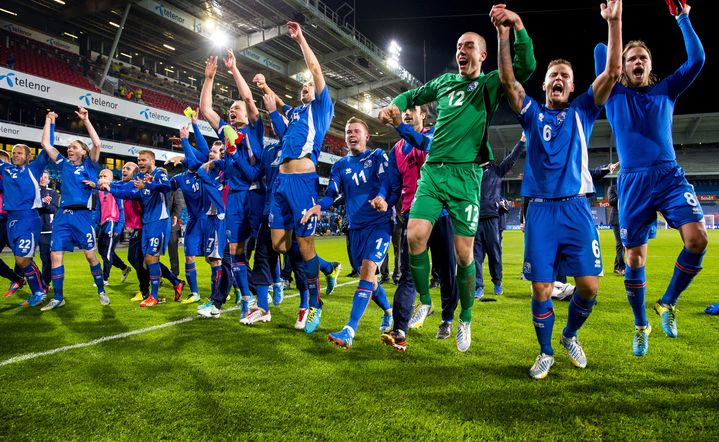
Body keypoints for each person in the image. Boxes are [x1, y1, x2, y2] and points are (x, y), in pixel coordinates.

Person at [378, 9, 536, 352]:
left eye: (468, 46)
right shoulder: (445, 83)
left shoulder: (491, 83)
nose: (460, 52)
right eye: (457, 48)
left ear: (482, 54)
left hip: (466, 176)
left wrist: (516, 27)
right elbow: (412, 97)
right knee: (414, 236)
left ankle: (465, 318)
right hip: (434, 172)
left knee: (465, 256)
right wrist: (394, 105)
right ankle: (425, 300)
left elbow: (524, 68)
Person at [493, 0, 622, 378]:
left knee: (589, 287)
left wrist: (614, 21)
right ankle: (546, 351)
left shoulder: (583, 109)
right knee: (541, 290)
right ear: (546, 83)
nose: (559, 79)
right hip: (541, 212)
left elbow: (612, 73)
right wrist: (505, 35)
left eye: (565, 74)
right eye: (553, 75)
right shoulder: (532, 114)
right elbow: (508, 82)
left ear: (572, 84)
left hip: (577, 208)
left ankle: (569, 335)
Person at [594, 1, 707, 354]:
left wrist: (683, 18)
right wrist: (616, 24)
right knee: (634, 259)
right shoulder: (613, 93)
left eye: (643, 57)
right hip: (633, 182)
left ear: (651, 65)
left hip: (669, 175)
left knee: (697, 240)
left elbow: (697, 60)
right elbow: (602, 53)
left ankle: (668, 302)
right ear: (623, 67)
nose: (638, 61)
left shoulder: (666, 90)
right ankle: (641, 325)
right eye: (631, 59)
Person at [254, 22, 335, 333]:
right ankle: (324, 269)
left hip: (302, 180)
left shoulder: (321, 109)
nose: (305, 87)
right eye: (301, 86)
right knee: (280, 245)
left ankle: (314, 304)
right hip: (281, 183)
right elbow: (275, 103)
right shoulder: (297, 112)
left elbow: (315, 69)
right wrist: (263, 86)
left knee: (304, 245)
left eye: (308, 86)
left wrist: (300, 38)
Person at [303, 117, 394, 348]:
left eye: (356, 131)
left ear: (366, 136)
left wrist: (382, 198)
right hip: (355, 229)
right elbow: (331, 194)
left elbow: (387, 181)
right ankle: (389, 311)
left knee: (367, 272)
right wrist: (319, 206)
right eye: (347, 132)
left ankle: (349, 329)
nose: (351, 135)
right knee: (370, 279)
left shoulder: (377, 157)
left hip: (379, 224)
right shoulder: (339, 166)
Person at [378, 105, 459, 352]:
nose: (406, 112)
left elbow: (425, 145)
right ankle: (400, 329)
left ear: (423, 115)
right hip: (412, 217)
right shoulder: (396, 151)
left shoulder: (435, 135)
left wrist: (398, 127)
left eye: (412, 109)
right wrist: (384, 199)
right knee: (408, 273)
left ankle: (447, 318)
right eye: (404, 111)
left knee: (446, 270)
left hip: (440, 213)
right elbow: (393, 185)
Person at [199, 48, 264, 316]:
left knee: (269, 251)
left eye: (236, 108)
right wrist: (209, 78)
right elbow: (205, 109)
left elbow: (248, 97)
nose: (232, 111)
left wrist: (234, 69)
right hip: (236, 197)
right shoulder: (227, 133)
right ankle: (245, 300)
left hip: (257, 195)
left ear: (247, 114)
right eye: (230, 109)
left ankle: (320, 270)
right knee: (233, 252)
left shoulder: (255, 129)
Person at [38, 109, 110, 310]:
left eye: (73, 147)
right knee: (55, 255)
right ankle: (58, 297)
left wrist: (86, 121)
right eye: (68, 147)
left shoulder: (89, 165)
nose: (69, 149)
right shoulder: (62, 164)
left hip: (82, 216)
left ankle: (100, 290)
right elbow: (46, 144)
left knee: (90, 256)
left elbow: (97, 144)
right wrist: (47, 120)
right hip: (62, 215)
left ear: (82, 152)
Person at [100, 150, 176, 307]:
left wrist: (148, 184)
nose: (140, 162)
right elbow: (128, 192)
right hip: (146, 223)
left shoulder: (158, 174)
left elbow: (167, 187)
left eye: (143, 160)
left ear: (152, 161)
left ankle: (151, 294)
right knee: (144, 260)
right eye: (138, 160)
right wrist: (107, 187)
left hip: (158, 221)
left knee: (149, 259)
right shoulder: (140, 178)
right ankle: (164, 286)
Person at [473, 133, 526, 299]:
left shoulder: (496, 170)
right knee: (476, 256)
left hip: (491, 218)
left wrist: (521, 142)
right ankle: (478, 286)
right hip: (475, 219)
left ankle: (497, 282)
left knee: (494, 253)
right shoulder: (471, 172)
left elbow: (511, 159)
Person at [97, 168, 131, 285]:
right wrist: (95, 224)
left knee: (107, 252)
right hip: (103, 225)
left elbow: (122, 210)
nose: (102, 178)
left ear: (111, 179)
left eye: (105, 176)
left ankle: (104, 279)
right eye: (100, 176)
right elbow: (98, 210)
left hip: (113, 223)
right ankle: (124, 268)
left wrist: (118, 227)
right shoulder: (100, 192)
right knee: (104, 252)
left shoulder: (115, 191)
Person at [0, 150, 26, 296]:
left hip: (9, 219)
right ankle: (17, 278)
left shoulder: (12, 178)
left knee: (22, 255)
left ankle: (37, 283)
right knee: (22, 255)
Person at [38, 170, 59, 287]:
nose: (42, 178)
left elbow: (54, 210)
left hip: (46, 230)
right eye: (41, 176)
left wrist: (47, 204)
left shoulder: (53, 193)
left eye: (45, 177)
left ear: (48, 180)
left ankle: (45, 283)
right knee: (23, 257)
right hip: (30, 228)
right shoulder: (31, 191)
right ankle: (18, 278)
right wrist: (42, 202)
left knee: (46, 259)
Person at [606, 183, 625, 275]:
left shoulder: (628, 187)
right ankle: (621, 267)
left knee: (624, 244)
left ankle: (617, 266)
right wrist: (622, 194)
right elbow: (611, 201)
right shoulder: (613, 188)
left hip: (626, 218)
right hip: (616, 219)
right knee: (620, 244)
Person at [167, 186, 185, 277]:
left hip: (171, 226)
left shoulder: (173, 190)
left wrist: (175, 216)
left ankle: (175, 275)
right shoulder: (154, 189)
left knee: (173, 253)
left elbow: (178, 205)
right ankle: (156, 274)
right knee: (154, 253)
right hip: (157, 225)